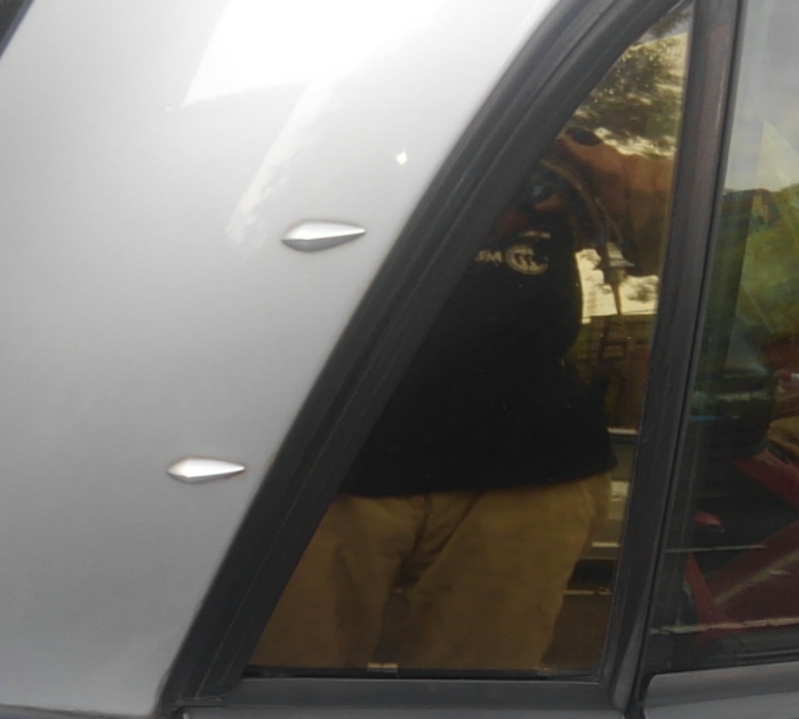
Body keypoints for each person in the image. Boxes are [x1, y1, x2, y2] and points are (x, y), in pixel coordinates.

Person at [252, 133, 671, 671]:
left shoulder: (542, 134)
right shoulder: (309, 141)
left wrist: (626, 184)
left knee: (469, 705)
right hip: (325, 469)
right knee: (286, 697)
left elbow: (673, 238)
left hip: (528, 476)